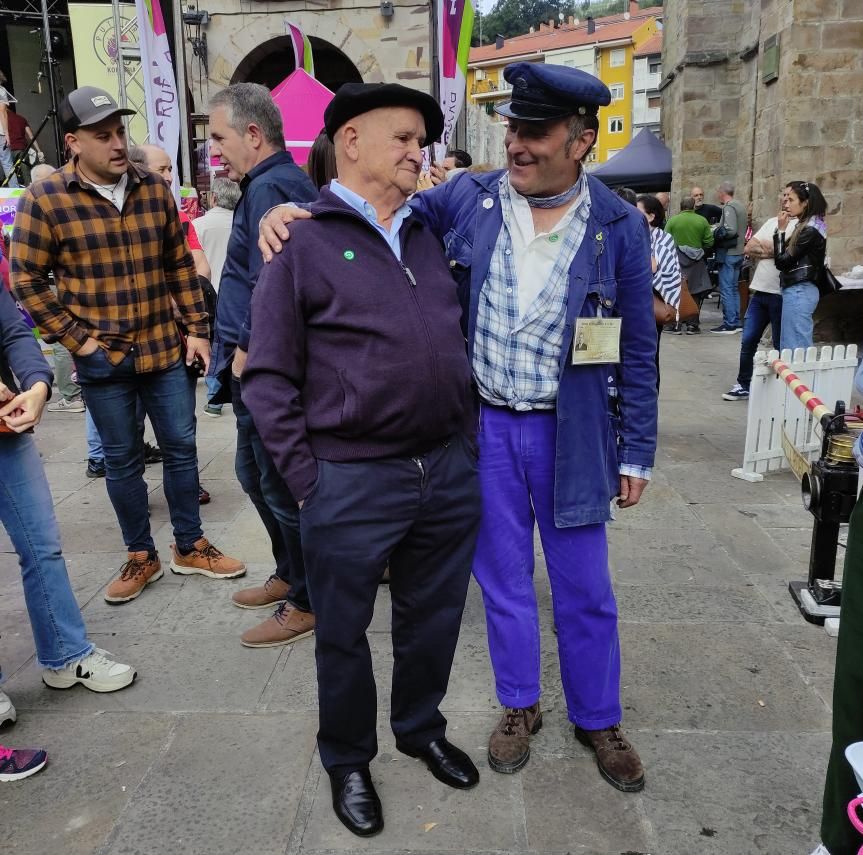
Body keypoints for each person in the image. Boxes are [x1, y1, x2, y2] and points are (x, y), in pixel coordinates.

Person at [259, 61, 658, 795]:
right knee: (500, 580)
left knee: (584, 585)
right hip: (482, 431)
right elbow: (369, 212)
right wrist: (283, 212)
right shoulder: (466, 201)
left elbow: (637, 343)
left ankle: (597, 716)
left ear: (581, 140)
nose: (517, 144)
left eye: (535, 132)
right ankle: (518, 705)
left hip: (569, 432)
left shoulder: (617, 225)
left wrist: (636, 447)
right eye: (512, 128)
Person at [245, 82, 482, 837]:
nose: (420, 152)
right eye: (405, 138)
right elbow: (268, 376)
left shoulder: (426, 232)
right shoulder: (302, 240)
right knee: (342, 630)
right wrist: (311, 481)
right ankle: (347, 757)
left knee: (433, 615)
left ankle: (419, 727)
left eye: (423, 140)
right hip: (350, 479)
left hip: (444, 469)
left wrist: (464, 446)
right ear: (350, 140)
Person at [9, 85, 245, 605]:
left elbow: (178, 264)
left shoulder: (151, 189)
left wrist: (198, 331)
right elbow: (26, 281)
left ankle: (190, 544)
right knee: (121, 461)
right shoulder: (46, 200)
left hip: (163, 350)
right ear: (73, 142)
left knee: (183, 451)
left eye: (120, 132)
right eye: (103, 135)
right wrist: (80, 341)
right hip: (103, 359)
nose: (118, 144)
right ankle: (142, 554)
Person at [0, 286, 135, 780]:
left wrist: (37, 386)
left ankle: (65, 655)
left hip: (6, 427)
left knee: (43, 547)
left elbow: (14, 329)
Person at [207, 83, 317, 647]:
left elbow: (275, 280)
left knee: (279, 484)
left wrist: (248, 346)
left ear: (253, 133)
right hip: (247, 357)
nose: (215, 152)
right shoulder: (264, 185)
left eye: (219, 138)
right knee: (256, 478)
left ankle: (307, 597)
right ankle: (289, 574)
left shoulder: (277, 186)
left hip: (263, 363)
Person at [722, 190, 797, 401]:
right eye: (783, 195)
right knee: (748, 341)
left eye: (790, 197)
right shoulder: (772, 222)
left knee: (780, 344)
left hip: (780, 294)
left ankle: (783, 388)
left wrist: (769, 250)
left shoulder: (798, 227)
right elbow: (749, 247)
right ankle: (743, 384)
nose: (784, 200)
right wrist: (774, 251)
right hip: (760, 291)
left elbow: (788, 254)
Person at [193, 176, 241, 417]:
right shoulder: (242, 221)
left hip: (207, 290)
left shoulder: (198, 224)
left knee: (213, 342)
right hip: (235, 290)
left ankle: (214, 398)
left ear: (213, 197)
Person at [127, 144, 211, 281]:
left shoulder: (181, 218)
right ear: (137, 171)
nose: (169, 177)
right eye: (161, 170)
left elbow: (202, 268)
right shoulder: (119, 218)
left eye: (170, 169)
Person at [773, 180, 828, 351]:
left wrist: (781, 231)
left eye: (791, 200)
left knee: (796, 348)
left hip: (800, 289)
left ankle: (801, 378)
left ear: (805, 203)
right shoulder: (809, 226)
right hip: (799, 289)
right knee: (792, 345)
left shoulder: (810, 229)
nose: (786, 204)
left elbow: (782, 261)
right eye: (785, 199)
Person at [637, 193, 681, 386]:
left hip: (654, 304)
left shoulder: (662, 239)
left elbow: (653, 266)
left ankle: (651, 396)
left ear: (651, 216)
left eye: (638, 213)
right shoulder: (640, 236)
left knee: (650, 357)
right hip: (640, 304)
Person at [664, 196, 714, 334]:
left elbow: (665, 240)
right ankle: (692, 325)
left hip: (676, 260)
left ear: (681, 206)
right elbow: (709, 241)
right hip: (696, 261)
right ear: (693, 207)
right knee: (695, 292)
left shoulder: (673, 221)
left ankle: (675, 324)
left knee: (675, 290)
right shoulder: (702, 220)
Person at [710, 180, 747, 334]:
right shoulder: (740, 206)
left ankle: (729, 323)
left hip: (729, 253)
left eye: (718, 192)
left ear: (722, 192)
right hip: (738, 252)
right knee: (733, 288)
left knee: (726, 289)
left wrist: (716, 230)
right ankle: (737, 321)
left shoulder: (729, 207)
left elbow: (730, 230)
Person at [6, 97, 44, 187]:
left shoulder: (3, 119)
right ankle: (30, 193)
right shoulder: (21, 119)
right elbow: (31, 136)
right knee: (27, 176)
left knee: (9, 174)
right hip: (23, 151)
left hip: (9, 151)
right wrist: (39, 151)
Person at [0, 87, 21, 188]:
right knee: (7, 163)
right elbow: (2, 112)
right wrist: (7, 134)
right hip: (0, 133)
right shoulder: (1, 90)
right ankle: (14, 192)